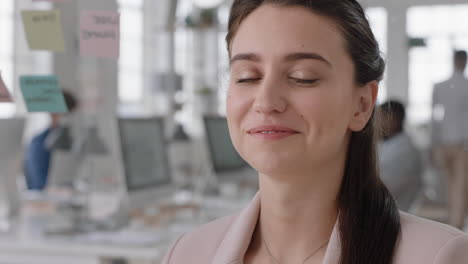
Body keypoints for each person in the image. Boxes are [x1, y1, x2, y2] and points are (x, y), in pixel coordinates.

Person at [163, 1, 468, 263]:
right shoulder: (186, 254)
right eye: (247, 77)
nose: (266, 102)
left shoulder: (438, 256)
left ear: (362, 105)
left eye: (303, 77)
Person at [431, 50, 468, 229]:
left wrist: (434, 142)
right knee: (459, 187)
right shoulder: (465, 86)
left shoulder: (440, 86)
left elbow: (435, 118)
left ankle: (453, 224)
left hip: (445, 142)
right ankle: (456, 225)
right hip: (461, 144)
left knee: (450, 185)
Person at [24, 90, 78, 190]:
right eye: (66, 114)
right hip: (44, 197)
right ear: (53, 113)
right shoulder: (39, 142)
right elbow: (38, 183)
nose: (69, 119)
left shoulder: (75, 139)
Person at [378, 100, 423, 212]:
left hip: (394, 215)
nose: (375, 124)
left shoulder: (404, 152)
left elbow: (380, 190)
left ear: (393, 119)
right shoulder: (390, 145)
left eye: (380, 118)